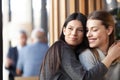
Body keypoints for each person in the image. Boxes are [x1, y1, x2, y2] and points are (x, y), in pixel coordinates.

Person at [39, 12, 120, 80]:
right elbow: (84, 78)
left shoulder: (73, 51)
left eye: (80, 30)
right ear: (64, 30)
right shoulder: (61, 48)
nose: (74, 33)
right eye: (70, 28)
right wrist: (110, 57)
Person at [79, 10, 120, 80]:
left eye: (94, 30)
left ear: (109, 30)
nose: (88, 34)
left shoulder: (118, 48)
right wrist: (111, 57)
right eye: (87, 30)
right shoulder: (87, 55)